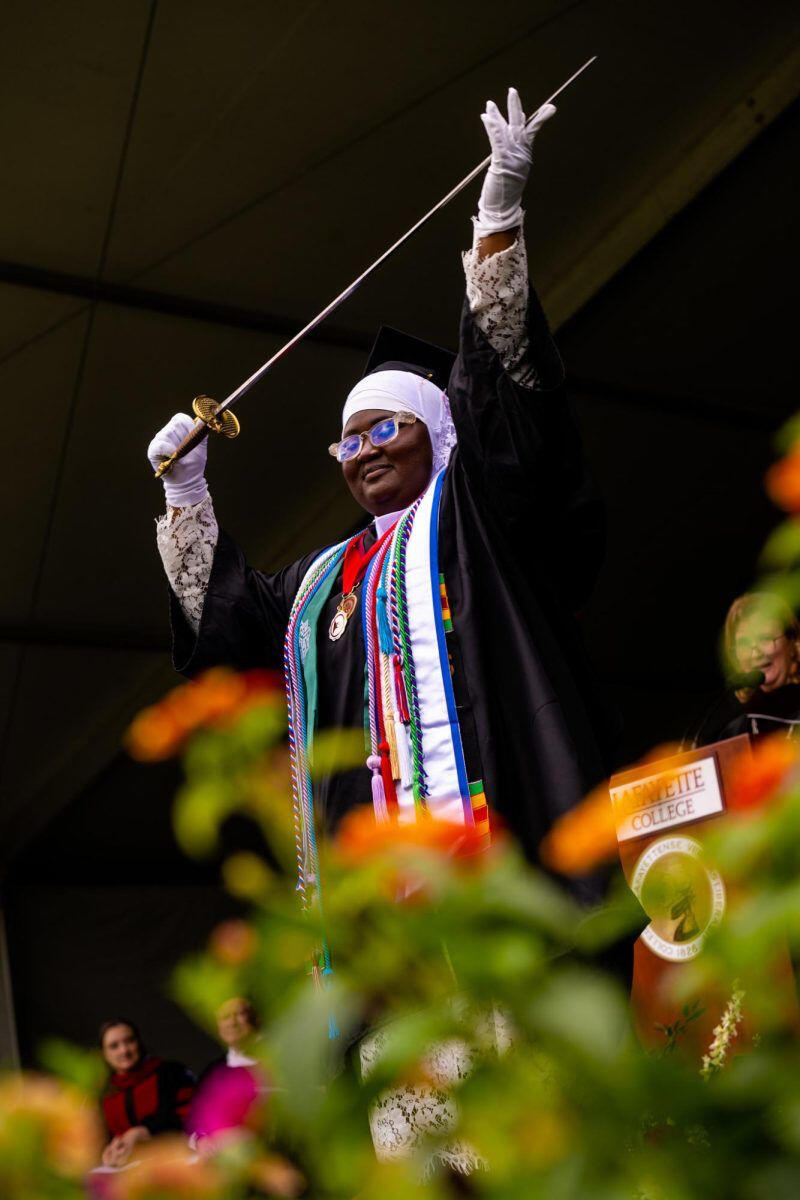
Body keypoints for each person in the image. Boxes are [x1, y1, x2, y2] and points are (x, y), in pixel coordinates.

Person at [148, 87, 613, 902]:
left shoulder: (479, 513)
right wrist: (188, 492)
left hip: (505, 846)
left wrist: (496, 224)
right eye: (348, 441)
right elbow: (229, 630)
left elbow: (506, 404)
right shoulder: (318, 584)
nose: (364, 452)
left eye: (386, 428)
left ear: (441, 432)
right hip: (380, 894)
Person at [695, 592, 800, 744]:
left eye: (765, 638)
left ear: (792, 642)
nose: (755, 654)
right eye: (744, 644)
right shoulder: (732, 734)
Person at [99, 1019, 195, 1168]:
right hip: (130, 1169)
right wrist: (108, 1151)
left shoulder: (170, 1072)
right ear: (104, 1054)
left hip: (178, 1158)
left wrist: (145, 1131)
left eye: (129, 1041)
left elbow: (193, 1113)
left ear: (139, 1042)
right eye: (114, 1046)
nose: (124, 1051)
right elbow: (106, 1137)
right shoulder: (106, 1094)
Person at [187, 998, 264, 1149]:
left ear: (256, 1018)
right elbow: (196, 1123)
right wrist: (201, 1140)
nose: (231, 1023)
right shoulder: (213, 1073)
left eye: (239, 1014)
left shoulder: (278, 1064)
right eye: (225, 1017)